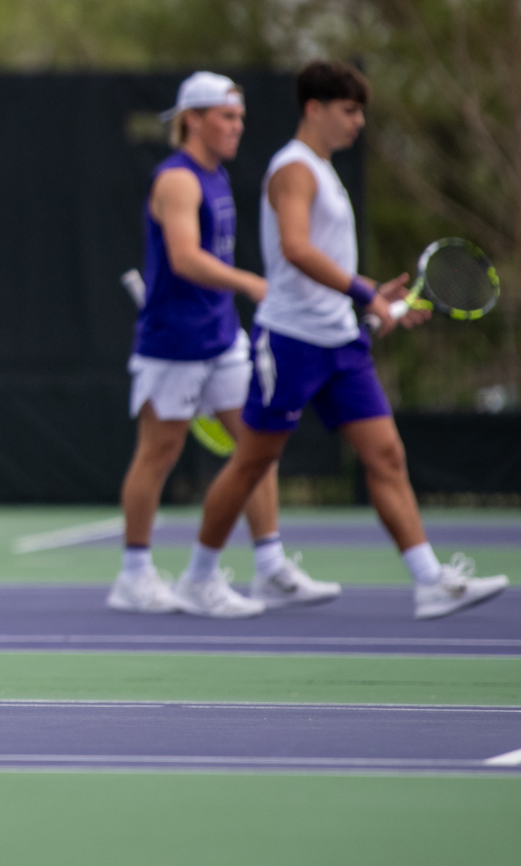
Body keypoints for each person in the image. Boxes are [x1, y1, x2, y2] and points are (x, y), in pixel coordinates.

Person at [177, 61, 508, 620]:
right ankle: (197, 578)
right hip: (290, 343)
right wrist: (365, 293)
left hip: (340, 344)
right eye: (349, 110)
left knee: (386, 455)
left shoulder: (324, 171)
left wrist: (374, 295)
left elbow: (326, 261)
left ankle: (430, 581)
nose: (358, 123)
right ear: (315, 109)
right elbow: (297, 249)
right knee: (253, 463)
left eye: (360, 112)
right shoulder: (294, 170)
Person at [113, 73, 340, 618]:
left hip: (222, 340)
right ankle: (135, 574)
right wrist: (253, 284)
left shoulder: (215, 178)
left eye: (240, 117)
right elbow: (186, 258)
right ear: (193, 119)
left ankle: (270, 567)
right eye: (226, 117)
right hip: (173, 343)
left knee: (259, 445)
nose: (237, 127)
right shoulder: (177, 180)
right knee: (159, 452)